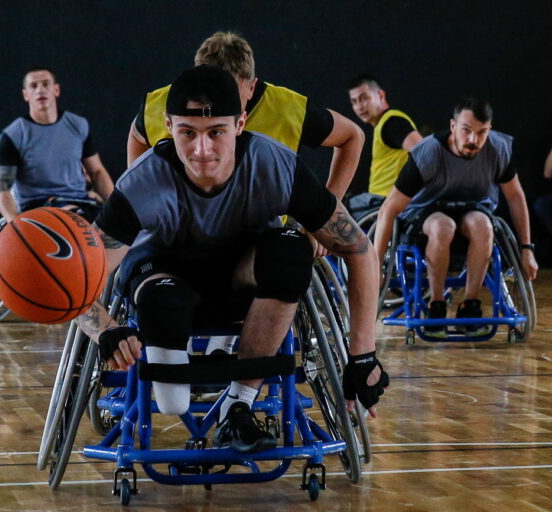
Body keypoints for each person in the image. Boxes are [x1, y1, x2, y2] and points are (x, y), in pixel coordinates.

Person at [78, 65, 388, 453]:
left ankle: (237, 405)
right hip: (164, 274)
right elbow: (77, 282)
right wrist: (105, 329)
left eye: (216, 133)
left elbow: (359, 249)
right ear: (168, 125)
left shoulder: (276, 166)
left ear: (240, 123)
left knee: (292, 249)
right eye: (187, 133)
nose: (202, 150)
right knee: (172, 392)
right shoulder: (142, 183)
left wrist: (362, 355)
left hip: (242, 274)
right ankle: (182, 397)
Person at [127, 31, 364, 203]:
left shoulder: (288, 109)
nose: (222, 107)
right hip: (186, 228)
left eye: (233, 96)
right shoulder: (161, 104)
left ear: (251, 87)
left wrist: (330, 210)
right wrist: (142, 197)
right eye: (213, 95)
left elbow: (352, 135)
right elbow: (138, 135)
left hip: (261, 232)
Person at [373, 97, 538, 337]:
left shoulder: (498, 149)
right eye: (466, 131)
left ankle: (469, 307)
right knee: (443, 226)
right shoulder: (428, 151)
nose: (473, 140)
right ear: (453, 127)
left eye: (482, 133)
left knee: (483, 225)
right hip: (427, 213)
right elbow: (389, 208)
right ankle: (436, 304)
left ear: (489, 130)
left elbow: (515, 197)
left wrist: (526, 249)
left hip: (473, 210)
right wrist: (376, 264)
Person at [0, 66, 114, 222]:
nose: (40, 90)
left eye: (46, 84)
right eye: (33, 86)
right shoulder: (14, 135)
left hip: (79, 202)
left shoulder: (78, 125)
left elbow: (97, 171)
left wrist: (115, 209)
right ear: (26, 95)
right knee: (75, 217)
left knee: (120, 232)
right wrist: (16, 225)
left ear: (56, 90)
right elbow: (1, 188)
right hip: (37, 207)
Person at [347, 74, 423, 199]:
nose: (359, 106)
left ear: (381, 95)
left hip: (384, 202)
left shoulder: (391, 122)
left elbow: (426, 152)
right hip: (378, 203)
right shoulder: (382, 125)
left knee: (334, 210)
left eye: (364, 98)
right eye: (354, 101)